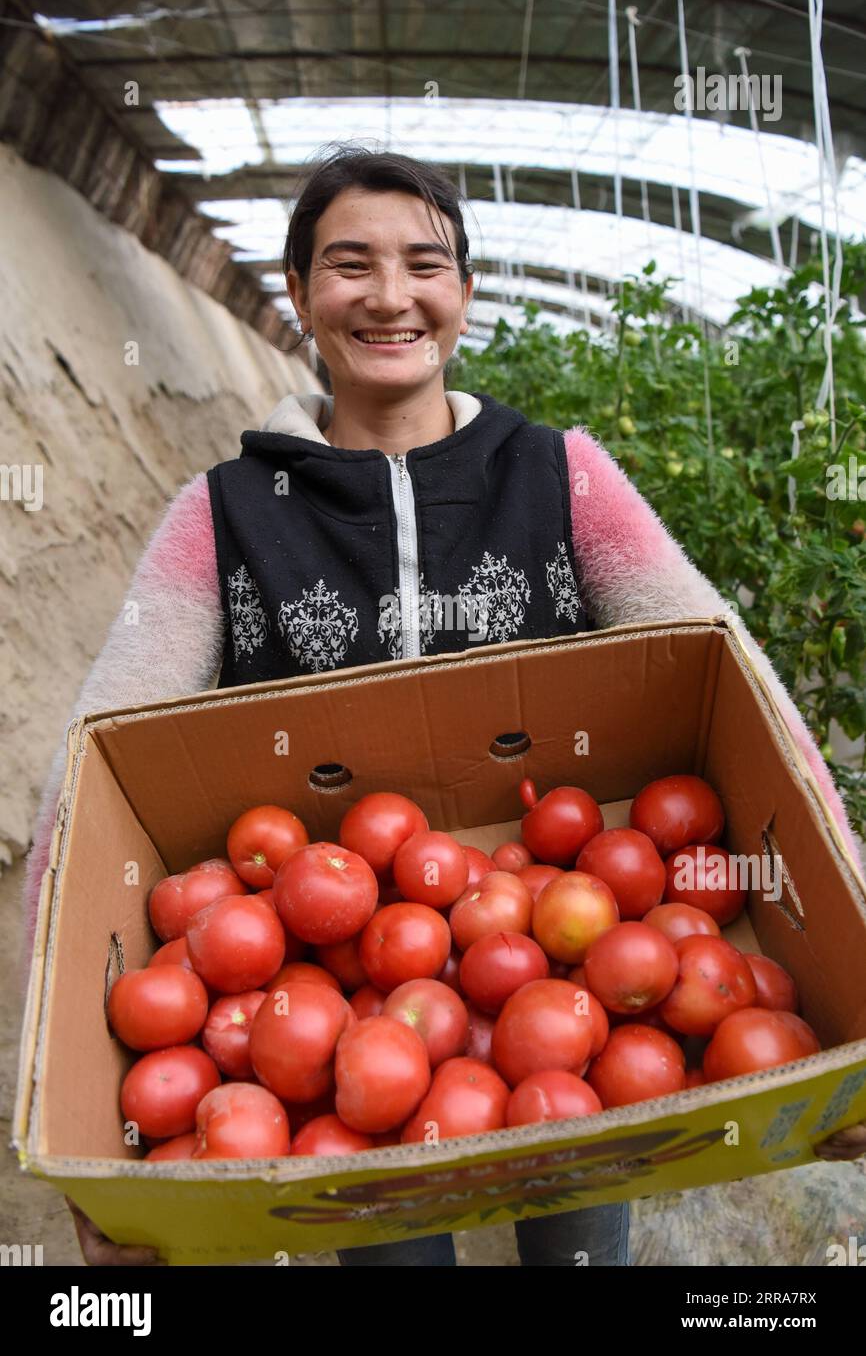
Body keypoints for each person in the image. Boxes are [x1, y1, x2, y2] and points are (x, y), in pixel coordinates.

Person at [22, 146, 866, 1268]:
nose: (387, 295)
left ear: (462, 297)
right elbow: (86, 776)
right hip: (332, 978)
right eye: (348, 265)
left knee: (578, 1218)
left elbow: (744, 687)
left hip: (557, 950)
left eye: (424, 264)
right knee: (388, 1249)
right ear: (299, 295)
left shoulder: (561, 475)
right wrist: (65, 1109)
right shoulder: (222, 513)